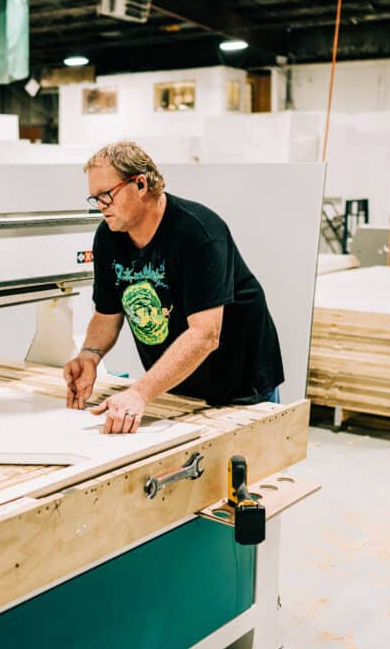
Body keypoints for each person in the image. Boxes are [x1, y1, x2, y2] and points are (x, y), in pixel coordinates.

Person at [63, 141, 284, 434]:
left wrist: (139, 393)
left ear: (140, 184)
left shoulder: (198, 232)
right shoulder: (109, 237)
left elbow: (205, 335)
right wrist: (89, 356)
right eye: (95, 199)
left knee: (243, 475)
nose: (101, 207)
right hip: (178, 388)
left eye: (106, 195)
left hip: (240, 388)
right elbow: (107, 314)